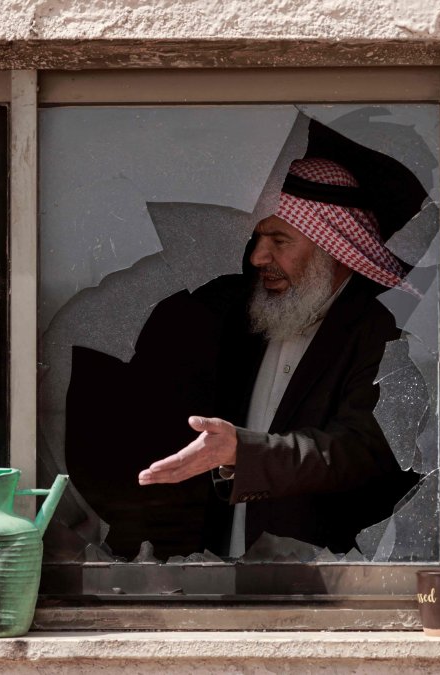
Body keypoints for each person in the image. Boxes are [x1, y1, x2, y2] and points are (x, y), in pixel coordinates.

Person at [135, 157, 420, 556]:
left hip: (327, 578)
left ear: (333, 246)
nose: (257, 258)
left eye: (279, 241)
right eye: (257, 239)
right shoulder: (252, 318)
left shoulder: (384, 328)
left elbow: (366, 450)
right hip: (233, 559)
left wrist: (242, 452)